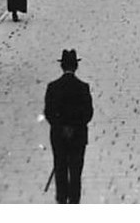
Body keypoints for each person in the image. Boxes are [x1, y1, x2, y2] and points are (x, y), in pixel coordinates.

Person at [44, 49, 93, 204]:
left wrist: (62, 127)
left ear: (62, 67)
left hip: (58, 135)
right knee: (75, 169)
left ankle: (61, 198)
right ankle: (74, 200)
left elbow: (49, 113)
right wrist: (73, 127)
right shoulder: (83, 87)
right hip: (78, 135)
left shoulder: (53, 87)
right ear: (76, 67)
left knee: (60, 167)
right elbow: (88, 113)